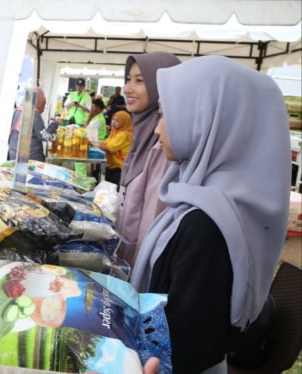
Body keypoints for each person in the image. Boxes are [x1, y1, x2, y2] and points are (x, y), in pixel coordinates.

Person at [130, 55, 290, 373]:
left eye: (166, 116)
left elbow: (185, 344)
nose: (159, 129)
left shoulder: (206, 226)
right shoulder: (208, 205)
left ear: (206, 121)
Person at [113, 52, 181, 267]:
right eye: (128, 79)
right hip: (125, 263)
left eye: (140, 81)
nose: (128, 88)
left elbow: (152, 222)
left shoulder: (165, 145)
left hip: (139, 272)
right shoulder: (142, 133)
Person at [91, 111, 133, 186]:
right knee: (96, 173)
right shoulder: (115, 132)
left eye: (117, 121)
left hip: (120, 168)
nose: (113, 122)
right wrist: (93, 142)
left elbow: (109, 148)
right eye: (113, 119)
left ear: (124, 122)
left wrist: (93, 142)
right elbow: (105, 143)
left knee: (109, 185)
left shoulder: (123, 134)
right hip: (114, 165)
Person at [7, 86, 47, 162]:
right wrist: (55, 124)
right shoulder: (34, 115)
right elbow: (44, 136)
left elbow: (11, 133)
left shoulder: (16, 111)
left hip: (14, 155)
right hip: (31, 159)